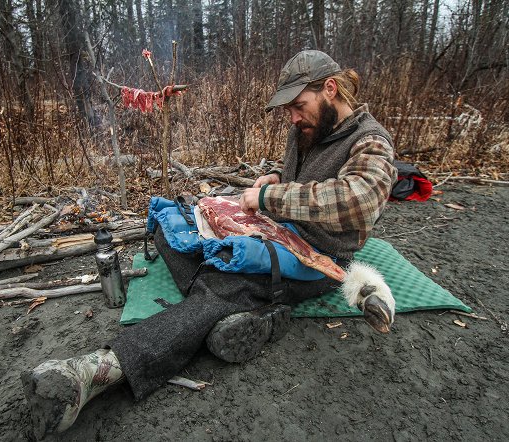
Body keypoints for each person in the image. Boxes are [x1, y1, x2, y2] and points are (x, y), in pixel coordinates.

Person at [20, 50, 397, 439]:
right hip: (274, 231)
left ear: (330, 90)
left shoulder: (371, 142)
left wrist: (271, 199)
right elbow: (296, 178)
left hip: (315, 257)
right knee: (172, 231)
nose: (293, 117)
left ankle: (96, 371)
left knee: (224, 287)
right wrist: (272, 178)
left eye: (299, 106)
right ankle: (237, 315)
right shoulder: (307, 128)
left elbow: (360, 200)